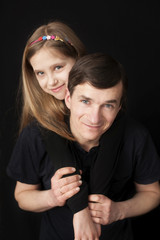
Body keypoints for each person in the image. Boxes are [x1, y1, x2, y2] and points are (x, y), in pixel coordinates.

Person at [7, 52, 160, 239]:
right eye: (86, 101)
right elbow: (22, 196)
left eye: (108, 105)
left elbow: (152, 193)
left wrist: (120, 210)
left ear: (119, 107)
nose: (95, 118)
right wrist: (53, 197)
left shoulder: (136, 136)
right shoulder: (35, 135)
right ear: (69, 99)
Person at [6, 20, 125, 238]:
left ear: (78, 59)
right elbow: (22, 195)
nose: (51, 81)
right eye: (40, 73)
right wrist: (60, 199)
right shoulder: (39, 129)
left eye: (58, 67)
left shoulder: (103, 111)